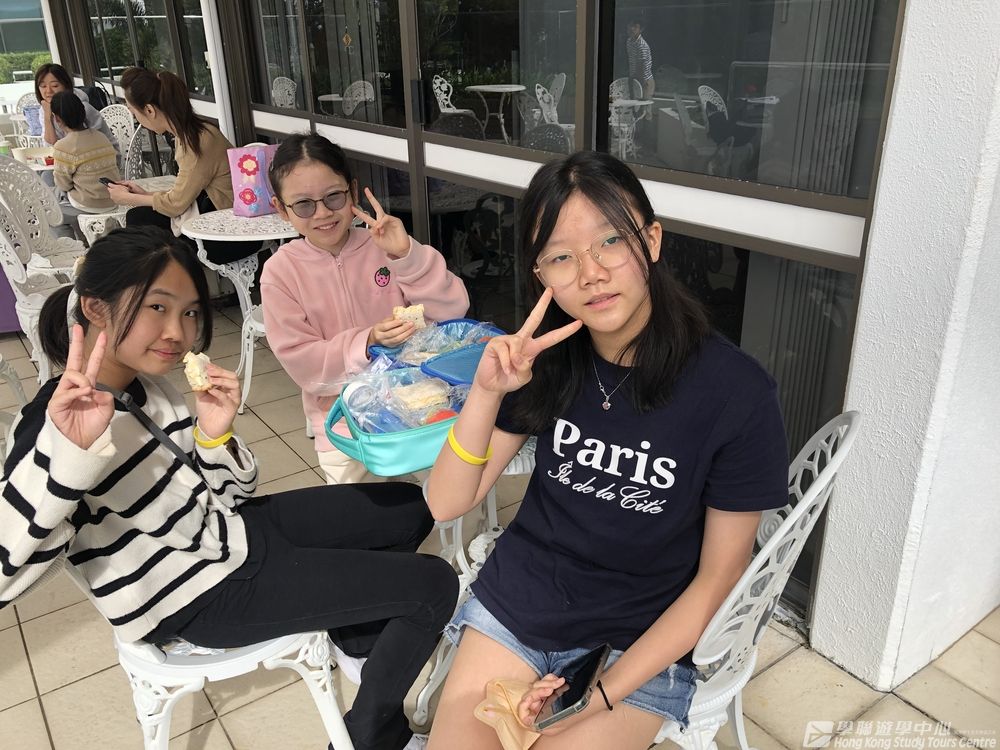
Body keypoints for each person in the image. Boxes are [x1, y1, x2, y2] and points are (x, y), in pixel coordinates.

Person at [0, 226, 458, 750]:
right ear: (96, 309)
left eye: (190, 312)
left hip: (228, 534)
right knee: (433, 586)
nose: (177, 331)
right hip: (193, 594)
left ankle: (357, 639)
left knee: (411, 506)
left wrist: (214, 436)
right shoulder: (53, 425)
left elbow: (229, 495)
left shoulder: (148, 388)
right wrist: (68, 458)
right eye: (157, 307)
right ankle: (371, 738)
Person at [424, 151, 789, 750]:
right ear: (540, 274)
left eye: (611, 241)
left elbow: (718, 577)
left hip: (637, 640)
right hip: (521, 605)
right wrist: (486, 393)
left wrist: (599, 696)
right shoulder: (545, 362)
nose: (590, 273)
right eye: (560, 257)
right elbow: (445, 503)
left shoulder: (735, 393)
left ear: (652, 240)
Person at [261, 133, 470, 484]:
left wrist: (406, 256)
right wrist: (367, 341)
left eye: (334, 197)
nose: (323, 213)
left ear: (353, 192)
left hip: (419, 404)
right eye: (304, 205)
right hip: (343, 421)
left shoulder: (385, 246)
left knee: (449, 493)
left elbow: (452, 311)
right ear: (281, 208)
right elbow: (302, 363)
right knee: (356, 508)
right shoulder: (281, 273)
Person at [107, 68, 257, 264]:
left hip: (232, 234)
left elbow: (176, 204)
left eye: (134, 113)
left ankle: (159, 279)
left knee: (142, 226)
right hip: (217, 220)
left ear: (150, 110)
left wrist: (129, 198)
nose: (137, 121)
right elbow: (182, 195)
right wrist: (143, 195)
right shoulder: (192, 134)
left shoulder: (196, 142)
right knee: (140, 219)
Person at [50, 91, 121, 231]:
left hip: (89, 205)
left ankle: (74, 245)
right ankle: (85, 238)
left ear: (57, 118)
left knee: (51, 215)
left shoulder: (64, 146)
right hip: (113, 199)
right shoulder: (101, 136)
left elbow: (63, 185)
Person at [35, 62, 118, 159]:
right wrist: (47, 117)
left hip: (103, 158)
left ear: (66, 86)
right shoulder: (45, 109)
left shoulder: (83, 108)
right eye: (43, 86)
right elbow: (50, 145)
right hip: (73, 158)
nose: (48, 91)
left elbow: (93, 144)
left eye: (55, 86)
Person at [625, 19, 655, 100]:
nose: (632, 29)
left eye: (635, 27)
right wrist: (631, 78)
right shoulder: (629, 42)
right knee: (632, 105)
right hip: (633, 78)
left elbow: (643, 66)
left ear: (641, 30)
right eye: (630, 25)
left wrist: (640, 82)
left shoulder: (642, 45)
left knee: (644, 106)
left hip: (645, 81)